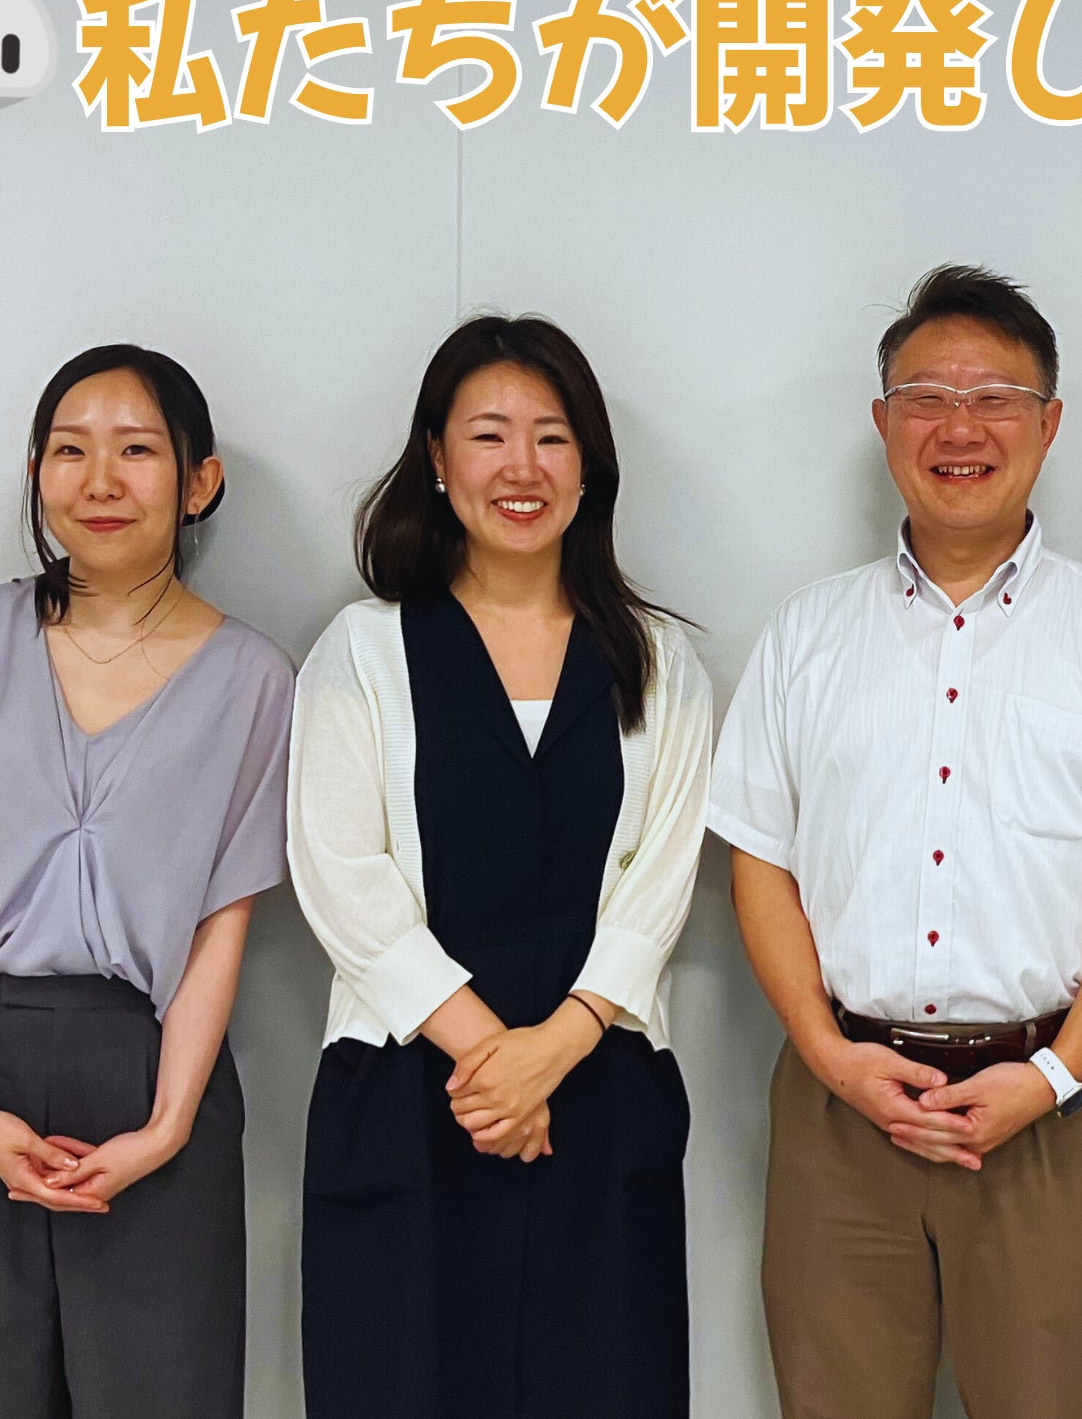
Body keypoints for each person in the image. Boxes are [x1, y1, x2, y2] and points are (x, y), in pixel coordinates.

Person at [710, 265, 1082, 1419]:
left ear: (1048, 425)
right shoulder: (806, 634)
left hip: (1054, 1105)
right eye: (926, 399)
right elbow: (759, 863)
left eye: (996, 399)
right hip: (841, 1105)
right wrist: (828, 1054)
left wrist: (1052, 1076)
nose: (960, 429)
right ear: (882, 423)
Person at [0, 344, 295, 1418]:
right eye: (69, 450)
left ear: (199, 480)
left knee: (163, 1392)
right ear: (36, 471)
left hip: (154, 1072)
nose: (99, 481)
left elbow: (221, 926)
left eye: (136, 451)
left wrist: (169, 1125)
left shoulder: (255, 680)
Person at [290, 314, 712, 1419]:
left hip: (599, 1093)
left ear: (589, 466)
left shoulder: (659, 660)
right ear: (437, 458)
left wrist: (552, 1052)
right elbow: (340, 874)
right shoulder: (364, 651)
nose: (521, 467)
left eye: (552, 437)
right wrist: (495, 1063)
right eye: (488, 435)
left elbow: (660, 884)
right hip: (408, 1092)